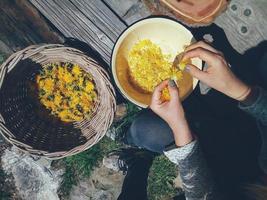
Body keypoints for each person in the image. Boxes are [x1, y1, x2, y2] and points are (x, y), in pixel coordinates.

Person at [115, 41, 267, 200]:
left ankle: (138, 159)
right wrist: (239, 90)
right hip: (252, 140)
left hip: (221, 181)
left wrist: (179, 126)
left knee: (145, 130)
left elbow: (201, 195)